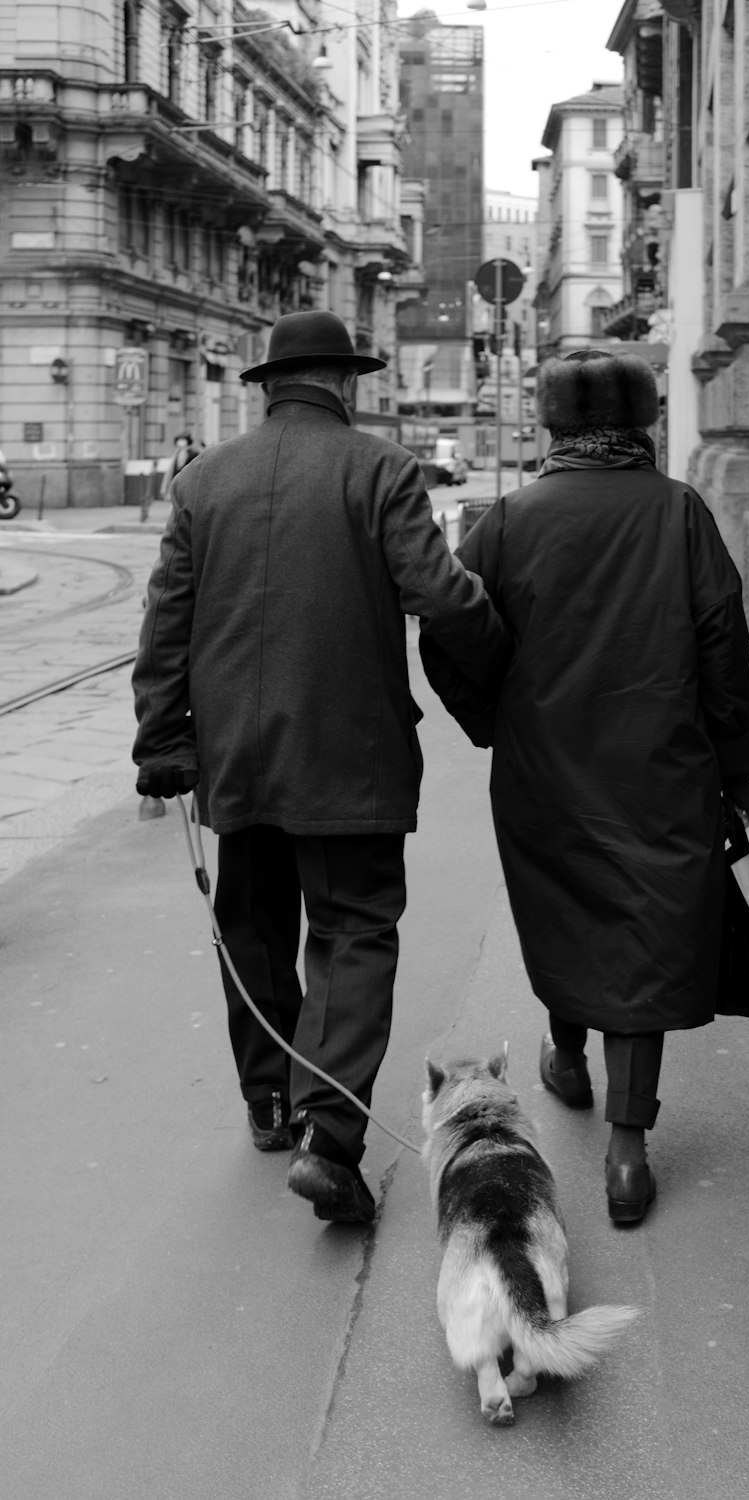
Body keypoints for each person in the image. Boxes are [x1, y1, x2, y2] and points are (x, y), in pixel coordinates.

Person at [132, 310, 507, 1224]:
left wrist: (163, 743)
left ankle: (267, 1101)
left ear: (267, 386)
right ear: (344, 383)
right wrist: (500, 634)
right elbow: (435, 592)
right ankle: (328, 1137)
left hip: (235, 759)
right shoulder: (378, 468)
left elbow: (165, 623)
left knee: (252, 921)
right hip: (350, 757)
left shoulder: (201, 480)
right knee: (352, 931)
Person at [420, 349, 749, 1227]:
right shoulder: (679, 513)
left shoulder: (509, 519)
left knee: (568, 908)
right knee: (643, 930)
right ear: (643, 422)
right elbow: (722, 644)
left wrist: (498, 719)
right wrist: (737, 767)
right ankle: (627, 1153)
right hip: (661, 767)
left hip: (545, 770)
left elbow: (448, 638)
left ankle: (566, 1055)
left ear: (551, 425)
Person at [160, 432, 200, 501]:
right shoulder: (176, 454)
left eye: (183, 440)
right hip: (177, 479)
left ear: (187, 441)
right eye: (179, 440)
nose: (181, 442)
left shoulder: (193, 453)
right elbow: (172, 469)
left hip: (188, 481)